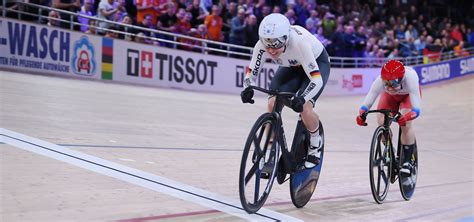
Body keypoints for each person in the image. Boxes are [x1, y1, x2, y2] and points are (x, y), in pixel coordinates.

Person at [240, 13, 331, 169]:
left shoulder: (299, 44)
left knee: (305, 108)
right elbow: (252, 70)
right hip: (292, 66)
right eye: (268, 46)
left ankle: (315, 141)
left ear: (286, 39)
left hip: (316, 63)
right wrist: (247, 86)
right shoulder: (263, 44)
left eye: (276, 46)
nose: (272, 51)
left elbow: (316, 80)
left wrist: (301, 99)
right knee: (272, 102)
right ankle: (270, 146)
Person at [356, 60, 421, 175]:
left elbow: (416, 110)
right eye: (386, 83)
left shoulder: (411, 78)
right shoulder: (379, 80)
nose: (389, 87)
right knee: (381, 122)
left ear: (401, 79)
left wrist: (406, 117)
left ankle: (407, 161)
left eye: (393, 83)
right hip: (390, 98)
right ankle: (389, 150)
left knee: (406, 124)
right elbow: (368, 100)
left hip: (407, 97)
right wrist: (362, 114)